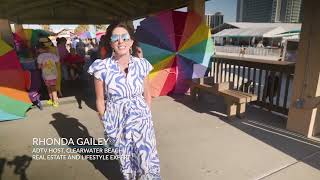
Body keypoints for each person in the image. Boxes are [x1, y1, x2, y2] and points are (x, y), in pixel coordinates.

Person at [88, 22, 161, 179]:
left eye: (124, 37)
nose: (120, 41)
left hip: (142, 121)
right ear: (110, 42)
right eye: (115, 38)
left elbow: (147, 94)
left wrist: (145, 115)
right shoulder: (101, 67)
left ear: (131, 42)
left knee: (146, 159)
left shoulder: (142, 64)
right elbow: (100, 100)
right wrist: (106, 123)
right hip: (117, 122)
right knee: (126, 161)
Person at [37, 41, 60, 107]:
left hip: (46, 75)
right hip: (54, 74)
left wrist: (43, 66)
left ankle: (53, 100)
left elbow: (39, 67)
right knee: (53, 88)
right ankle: (54, 100)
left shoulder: (40, 56)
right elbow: (57, 62)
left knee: (49, 87)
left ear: (41, 49)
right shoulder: (53, 55)